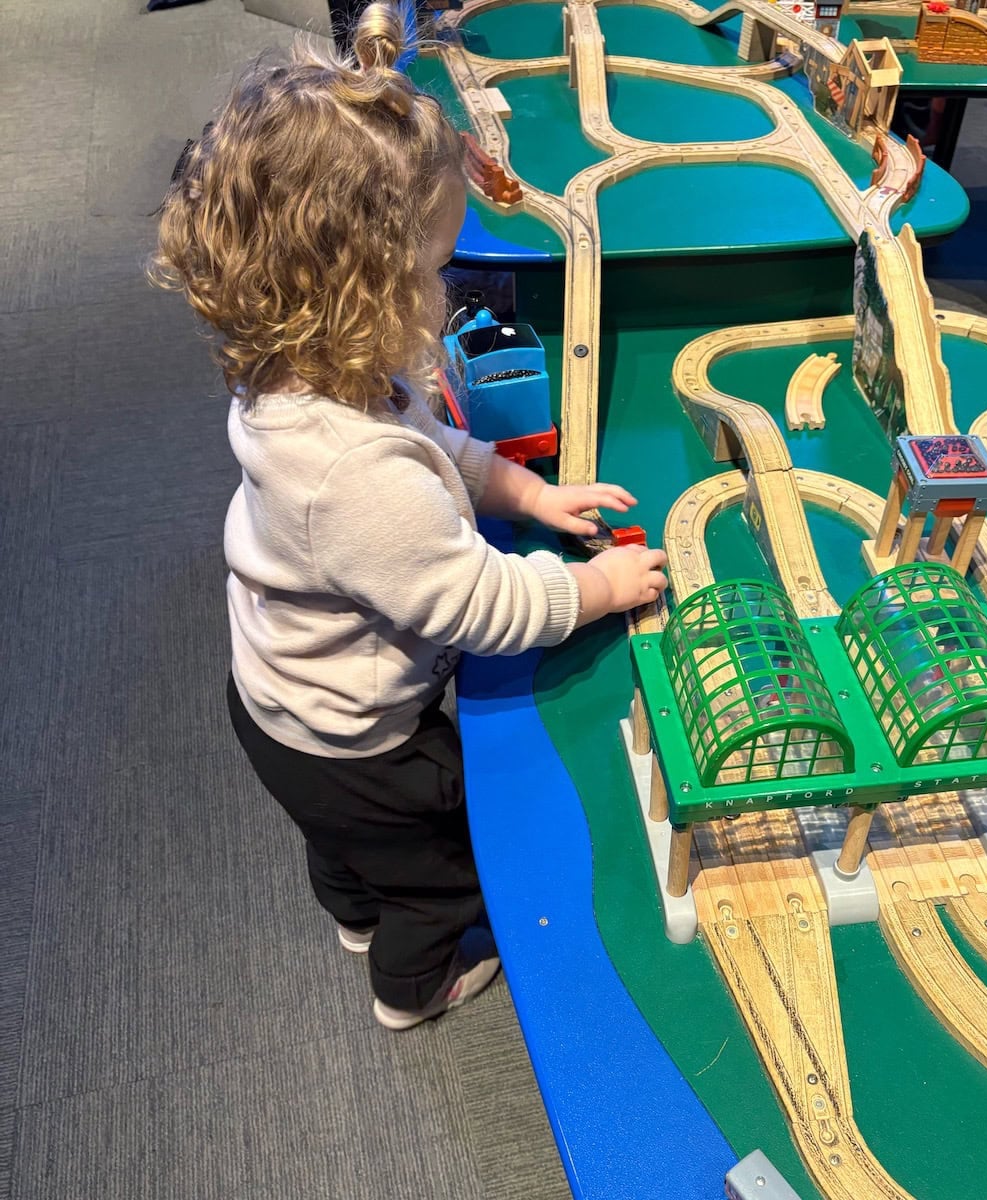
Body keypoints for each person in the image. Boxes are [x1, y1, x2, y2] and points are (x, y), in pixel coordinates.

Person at [150, 1, 668, 1030]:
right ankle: (409, 982)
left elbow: (439, 446)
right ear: (365, 292)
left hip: (282, 706)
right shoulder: (355, 479)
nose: (445, 284)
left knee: (343, 850)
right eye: (433, 268)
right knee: (446, 872)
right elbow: (479, 606)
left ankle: (352, 909)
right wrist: (601, 587)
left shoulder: (313, 376)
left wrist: (525, 491)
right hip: (359, 741)